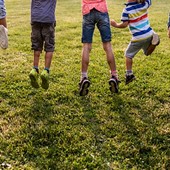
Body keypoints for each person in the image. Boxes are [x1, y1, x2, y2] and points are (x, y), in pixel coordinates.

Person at [111, 0, 160, 84]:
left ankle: (129, 75)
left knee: (128, 55)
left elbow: (124, 24)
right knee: (147, 53)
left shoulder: (127, 10)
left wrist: (115, 24)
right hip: (149, 33)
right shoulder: (144, 4)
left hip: (138, 37)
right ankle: (153, 43)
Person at [79, 0, 120, 96]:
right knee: (107, 45)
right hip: (102, 10)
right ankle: (114, 76)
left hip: (87, 11)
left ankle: (84, 77)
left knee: (86, 46)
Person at [29, 0, 57, 89]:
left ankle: (35, 69)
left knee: (37, 46)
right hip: (48, 20)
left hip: (35, 19)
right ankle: (46, 71)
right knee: (49, 46)